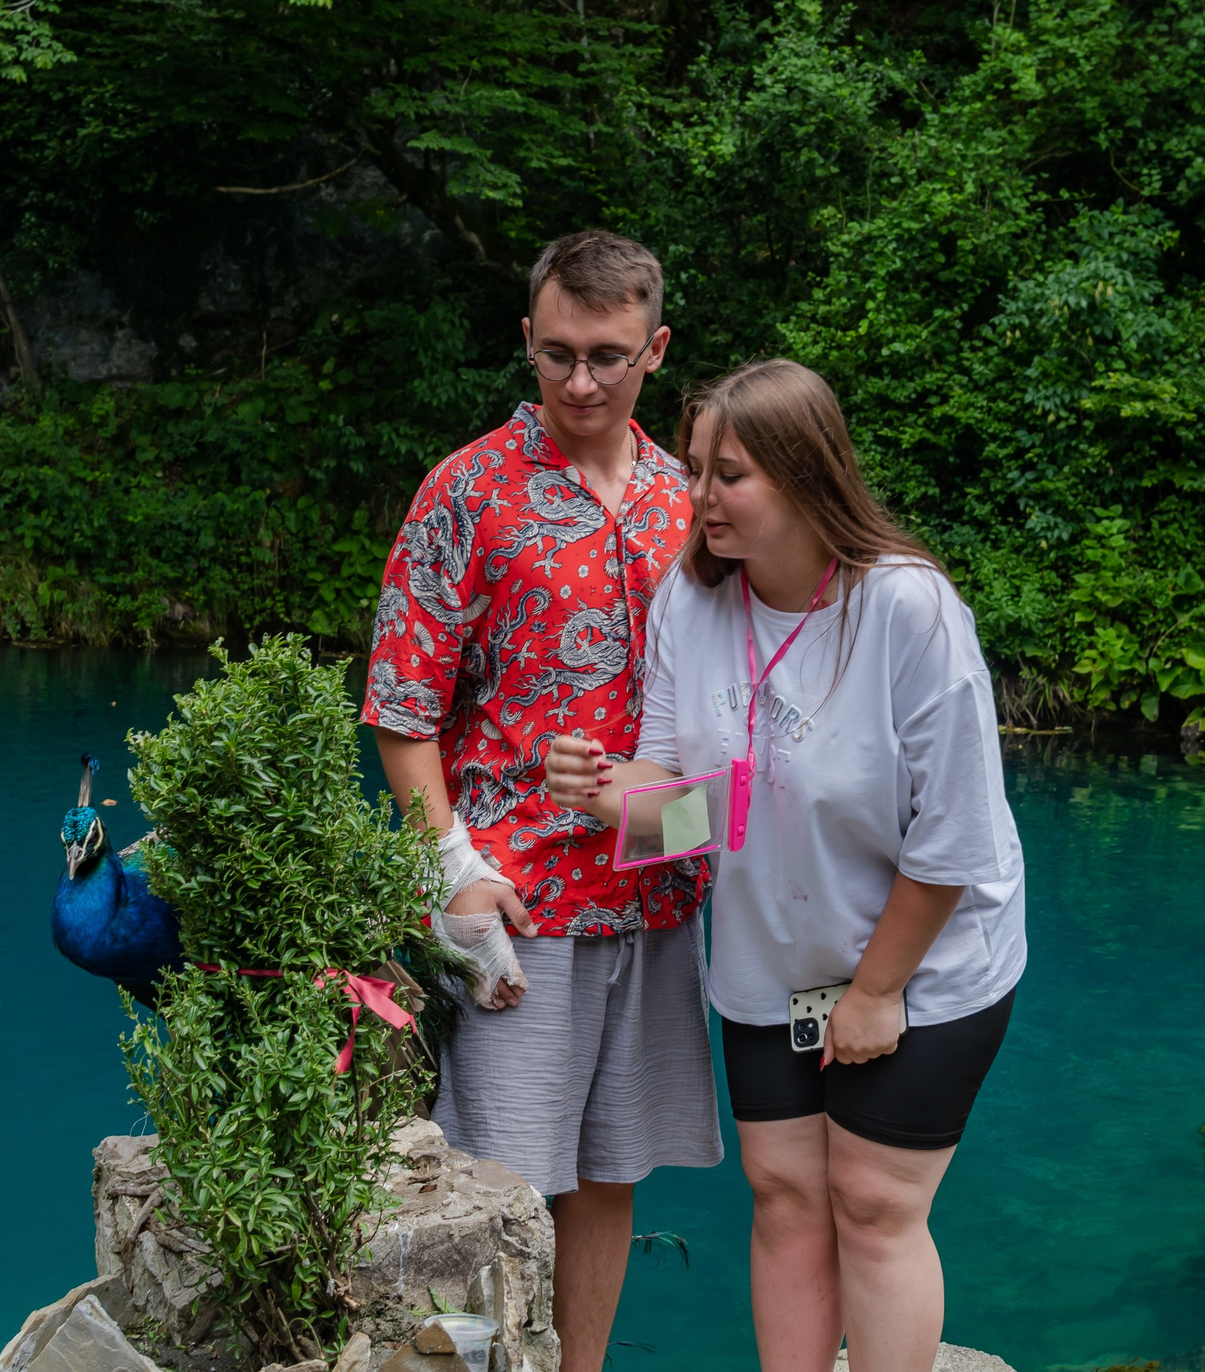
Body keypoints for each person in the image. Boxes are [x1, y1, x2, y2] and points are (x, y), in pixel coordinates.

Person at [544, 357, 1026, 1372]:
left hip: (927, 961)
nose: (699, 495)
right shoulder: (690, 602)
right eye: (694, 469)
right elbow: (692, 812)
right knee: (785, 1193)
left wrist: (878, 992)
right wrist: (603, 793)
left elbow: (955, 839)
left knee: (874, 1200)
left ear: (808, 478)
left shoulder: (905, 608)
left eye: (729, 474)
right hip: (774, 961)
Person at [362, 229, 721, 1372]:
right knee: (493, 1186)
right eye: (557, 351)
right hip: (517, 908)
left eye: (608, 355)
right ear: (527, 337)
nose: (580, 380)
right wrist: (451, 871)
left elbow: (732, 725)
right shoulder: (466, 489)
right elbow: (400, 703)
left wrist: (686, 828)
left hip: (658, 893)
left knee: (610, 1171)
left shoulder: (686, 500)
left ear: (655, 348)